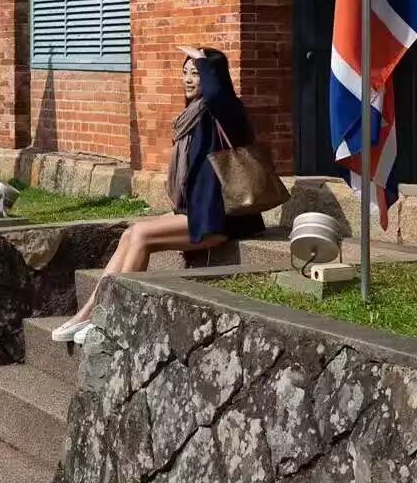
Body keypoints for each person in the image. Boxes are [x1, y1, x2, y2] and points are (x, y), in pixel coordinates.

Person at [52, 46, 264, 345]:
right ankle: (87, 313)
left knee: (140, 235)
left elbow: (216, 95)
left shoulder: (227, 110)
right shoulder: (193, 116)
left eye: (197, 73)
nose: (189, 79)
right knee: (130, 235)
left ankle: (115, 317)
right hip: (196, 213)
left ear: (212, 75)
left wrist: (204, 60)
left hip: (223, 220)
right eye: (186, 72)